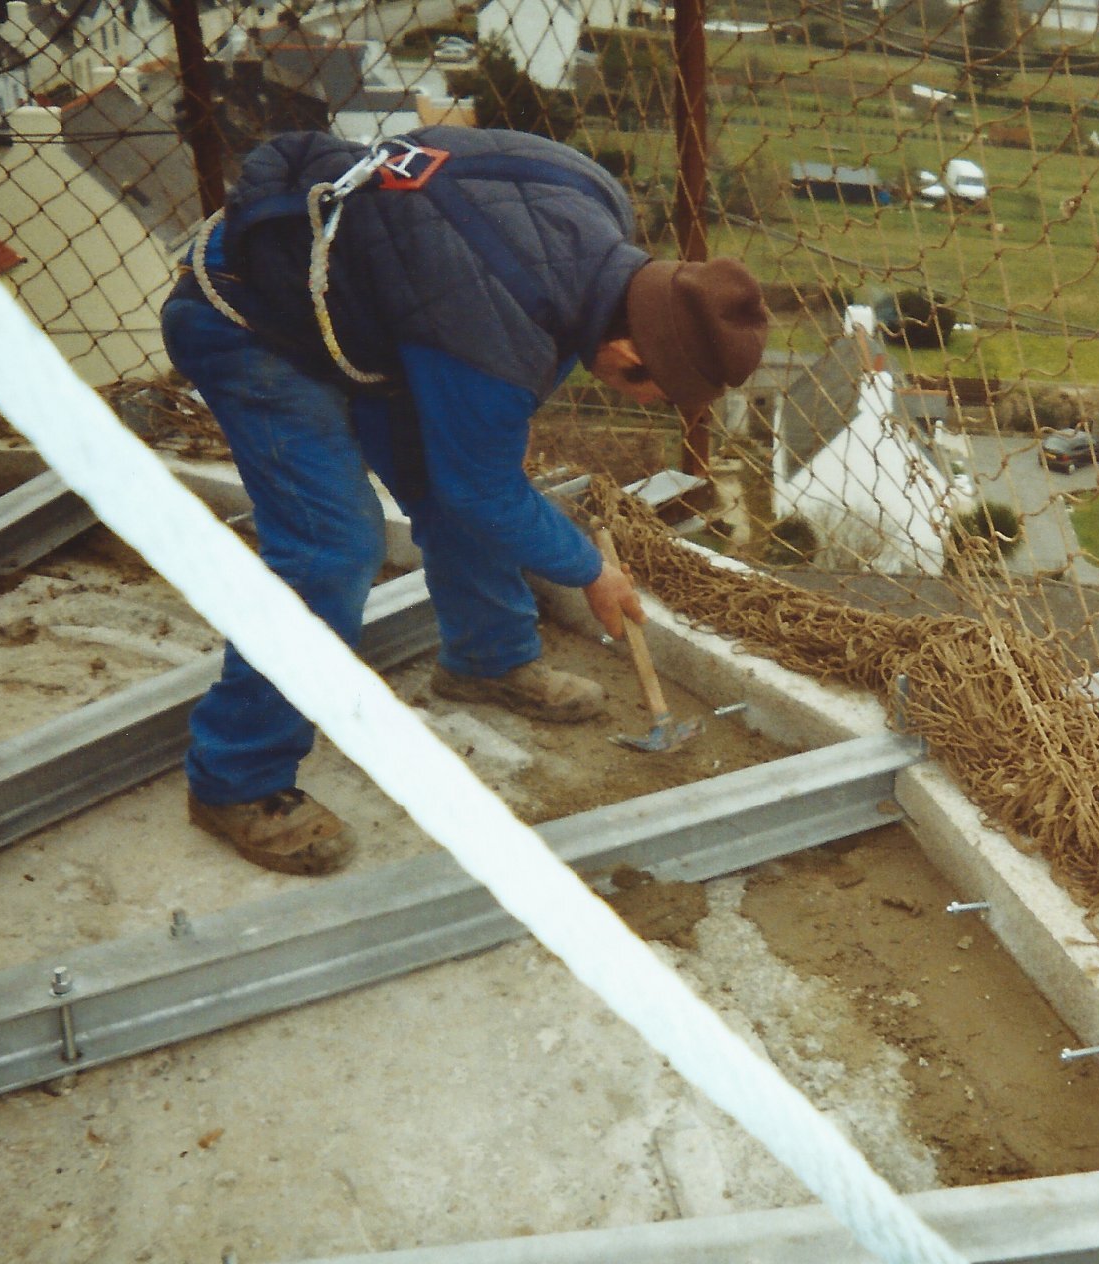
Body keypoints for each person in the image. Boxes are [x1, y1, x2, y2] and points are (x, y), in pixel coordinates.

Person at [162, 125, 769, 877]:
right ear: (628, 350)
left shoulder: (594, 201)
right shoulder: (501, 324)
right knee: (333, 547)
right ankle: (235, 779)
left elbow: (475, 456)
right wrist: (590, 568)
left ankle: (488, 660)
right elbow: (481, 488)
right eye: (653, 393)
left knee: (471, 475)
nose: (645, 403)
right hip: (250, 319)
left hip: (373, 316)